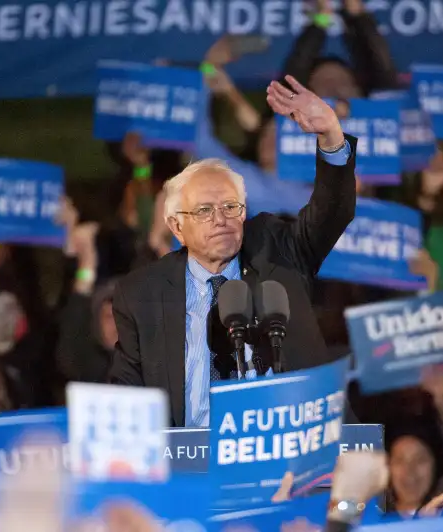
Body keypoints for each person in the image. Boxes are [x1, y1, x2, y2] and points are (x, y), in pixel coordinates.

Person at [110, 75, 356, 427]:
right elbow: (126, 398)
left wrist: (331, 135)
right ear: (176, 226)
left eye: (231, 207)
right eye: (204, 211)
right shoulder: (142, 294)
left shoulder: (276, 252)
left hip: (293, 451)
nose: (221, 219)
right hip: (194, 465)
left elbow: (332, 212)